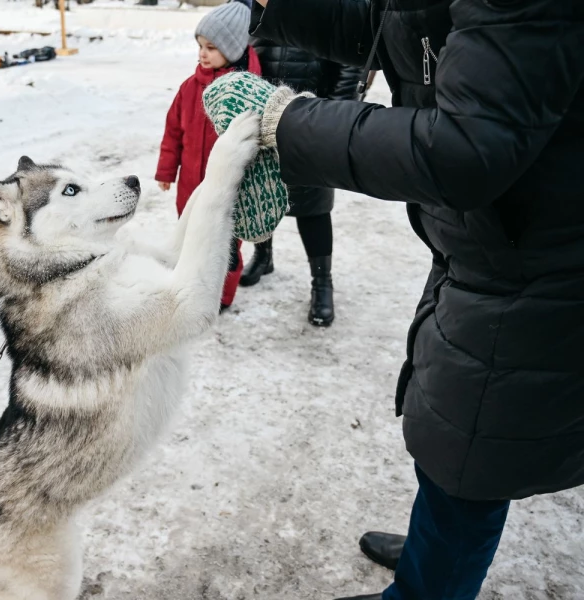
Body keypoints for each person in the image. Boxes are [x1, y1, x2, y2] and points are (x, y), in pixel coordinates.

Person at [248, 0, 583, 598]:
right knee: (455, 436)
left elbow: (463, 149)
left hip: (540, 268)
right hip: (490, 245)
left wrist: (290, 121)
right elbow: (386, 25)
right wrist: (274, 7)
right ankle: (436, 546)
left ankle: (430, 581)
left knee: (472, 452)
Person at [243, 33, 363, 327]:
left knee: (314, 204)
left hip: (313, 115)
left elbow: (349, 62)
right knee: (263, 191)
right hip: (264, 112)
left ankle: (322, 282)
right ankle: (263, 255)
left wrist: (336, 112)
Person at [155, 1, 261, 311]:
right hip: (190, 187)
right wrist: (166, 171)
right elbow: (174, 131)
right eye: (200, 46)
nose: (202, 53)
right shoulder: (189, 88)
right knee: (190, 240)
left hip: (228, 190)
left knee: (225, 245)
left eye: (212, 47)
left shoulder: (246, 92)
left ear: (234, 48)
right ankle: (190, 286)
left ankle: (221, 296)